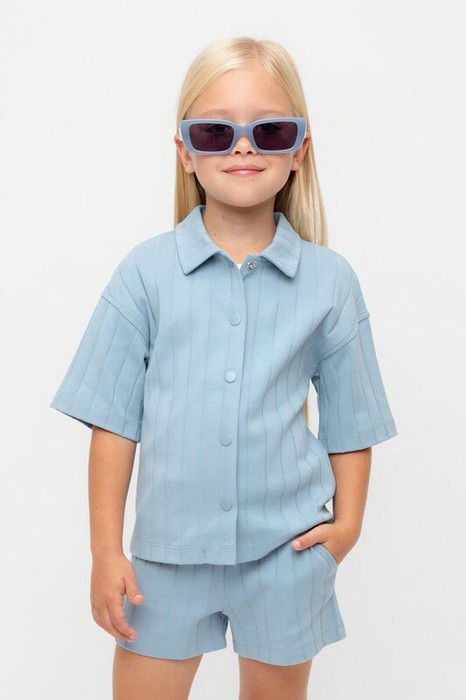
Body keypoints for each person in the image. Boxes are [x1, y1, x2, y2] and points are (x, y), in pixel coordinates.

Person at [50, 36, 398, 700]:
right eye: (215, 132)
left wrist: (345, 528)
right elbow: (114, 424)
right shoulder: (144, 275)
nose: (243, 148)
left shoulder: (330, 282)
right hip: (165, 560)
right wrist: (105, 551)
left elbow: (354, 419)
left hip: (287, 554)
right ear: (185, 150)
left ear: (299, 150)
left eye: (269, 131)